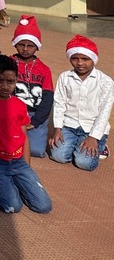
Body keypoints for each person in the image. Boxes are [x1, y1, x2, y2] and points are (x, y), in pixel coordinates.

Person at [0, 55, 52, 214]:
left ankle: (13, 183)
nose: (5, 86)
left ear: (16, 80)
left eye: (10, 81)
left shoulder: (19, 104)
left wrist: (27, 167)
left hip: (18, 160)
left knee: (44, 206)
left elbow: (24, 136)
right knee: (13, 207)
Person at [49, 35, 114, 171]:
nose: (80, 63)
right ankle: (76, 146)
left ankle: (100, 146)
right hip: (69, 125)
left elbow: (104, 111)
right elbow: (59, 103)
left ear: (94, 59)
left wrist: (93, 138)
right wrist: (57, 129)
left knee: (84, 163)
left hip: (92, 129)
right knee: (58, 156)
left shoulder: (106, 82)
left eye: (85, 59)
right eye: (75, 58)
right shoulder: (65, 77)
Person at [11, 15, 54, 158]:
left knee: (35, 151)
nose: (25, 49)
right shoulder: (7, 63)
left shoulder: (44, 69)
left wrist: (35, 122)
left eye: (30, 45)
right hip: (12, 113)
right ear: (15, 44)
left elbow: (47, 98)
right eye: (21, 44)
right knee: (8, 148)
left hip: (35, 115)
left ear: (37, 46)